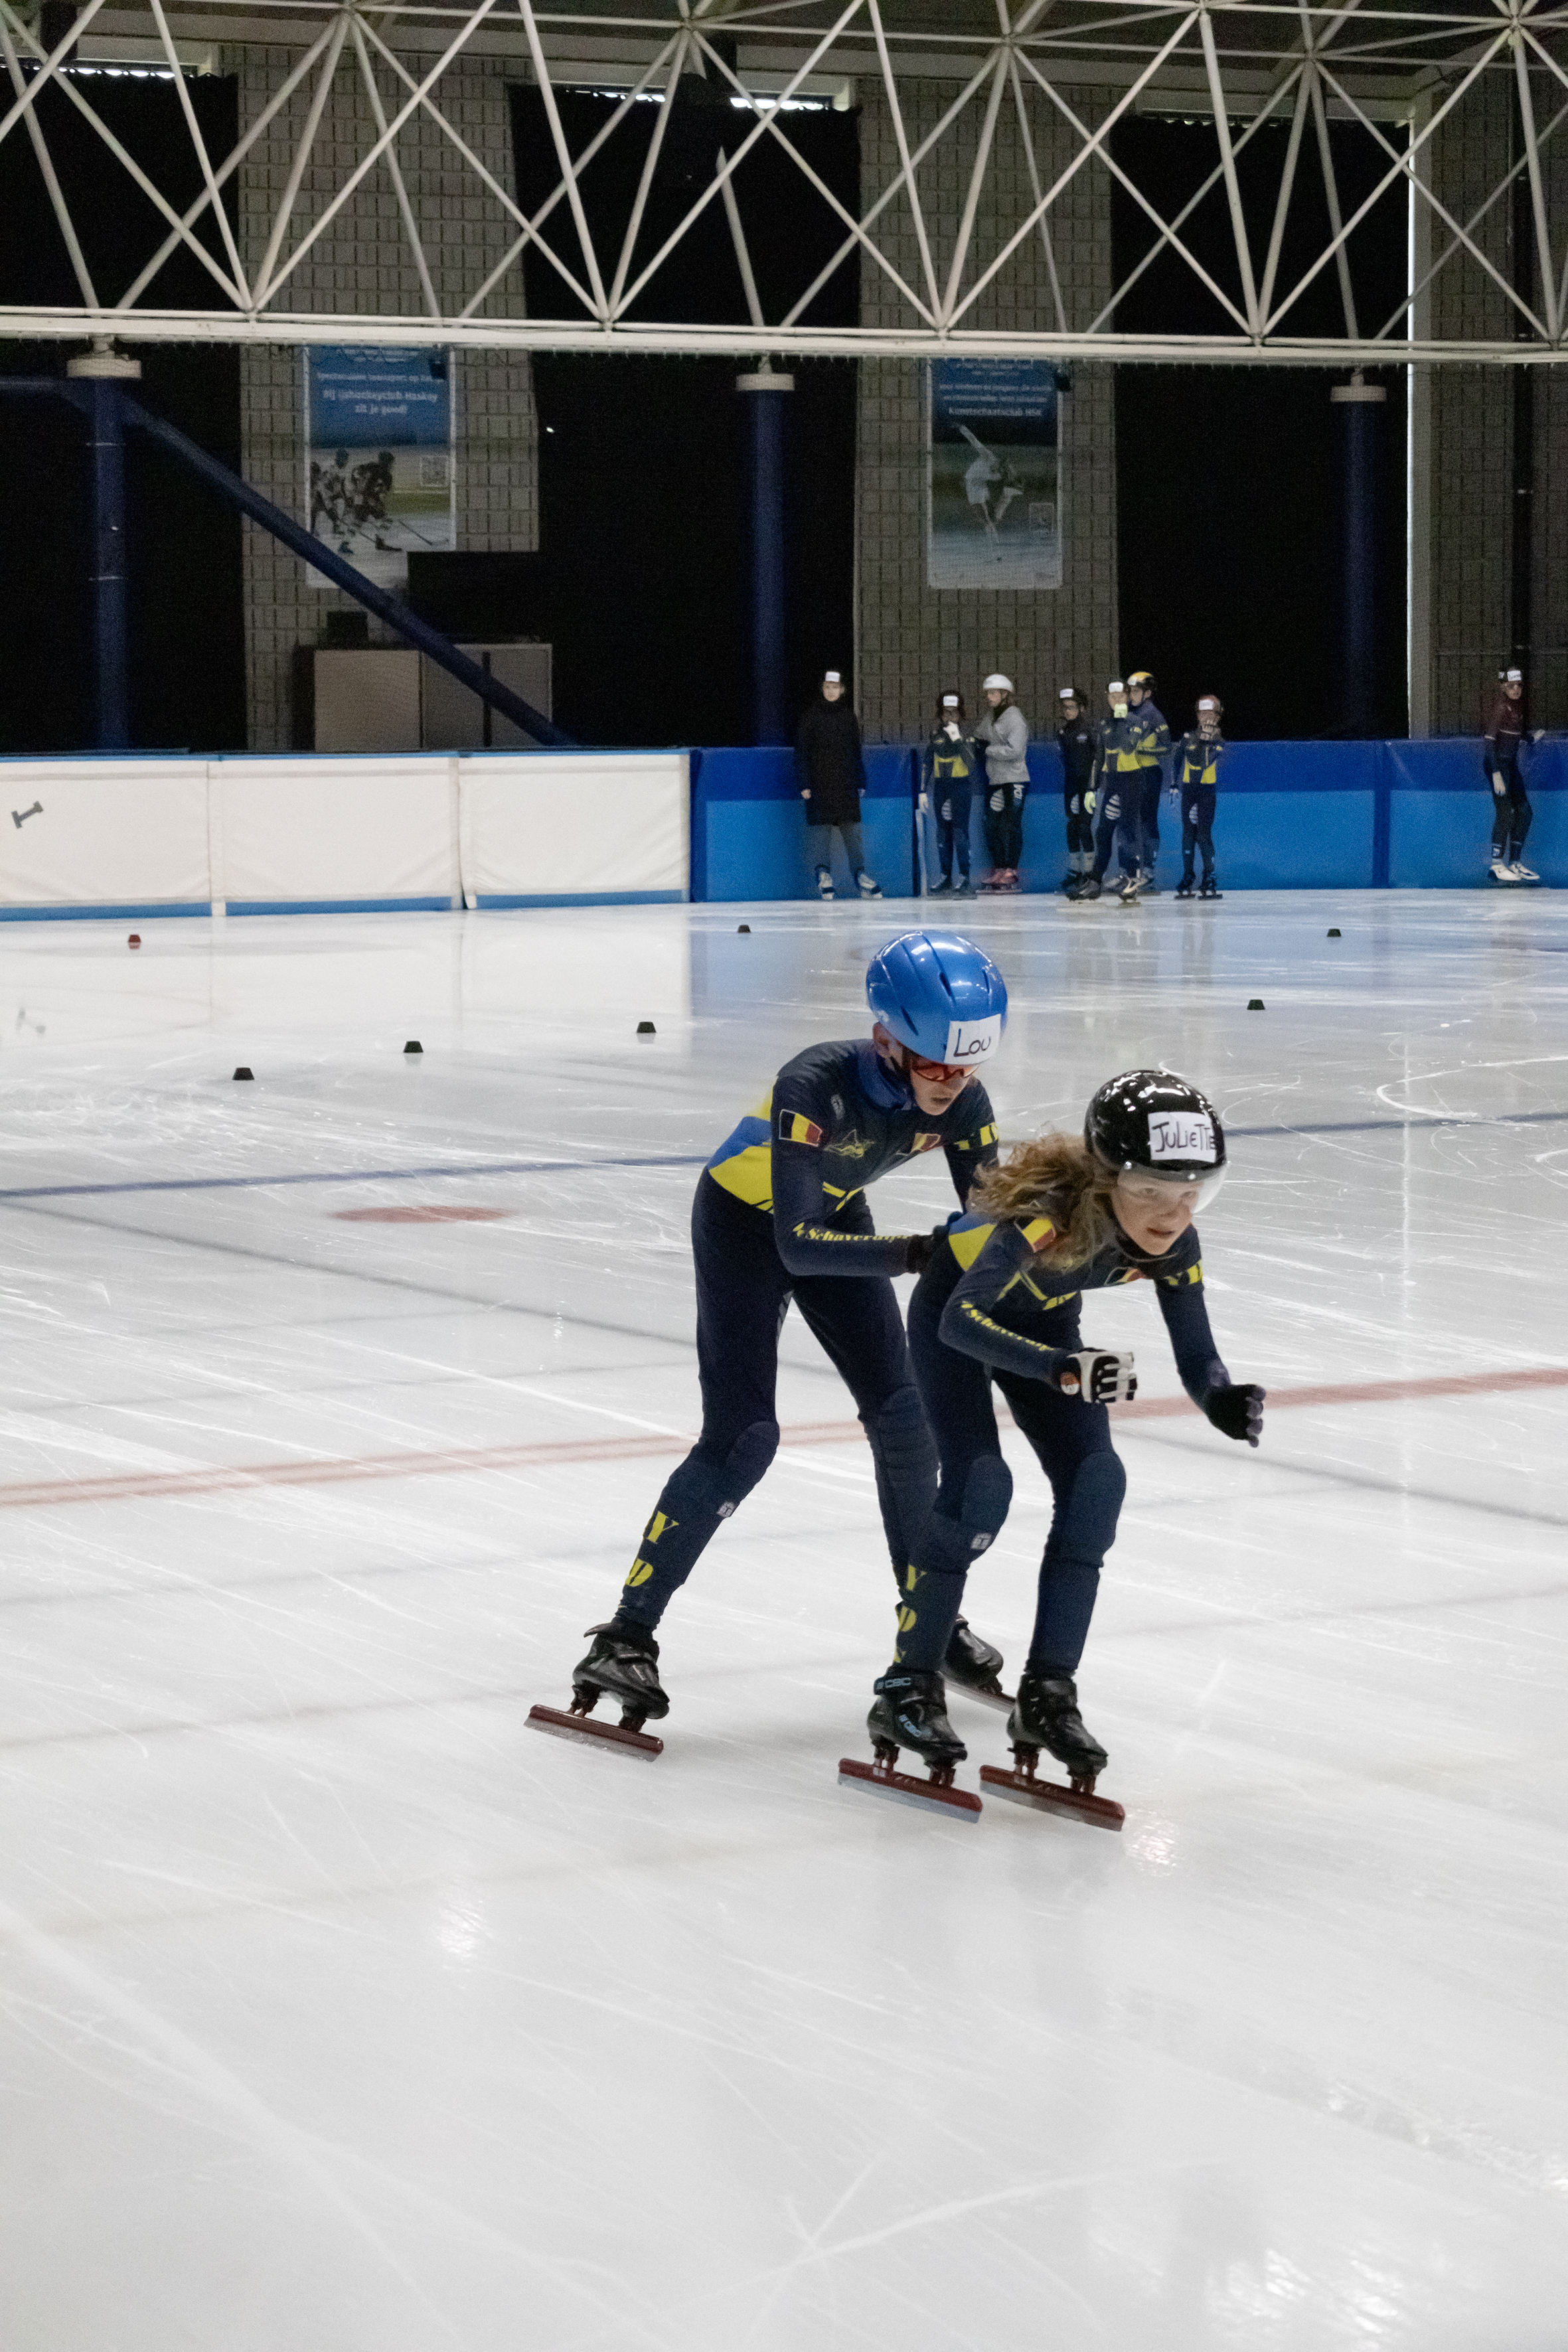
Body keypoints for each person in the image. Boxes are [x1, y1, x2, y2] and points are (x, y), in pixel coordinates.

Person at [552, 931, 1012, 1739]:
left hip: (839, 1216)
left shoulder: (966, 1105)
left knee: (905, 1418)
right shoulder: (814, 1083)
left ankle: (927, 1622)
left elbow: (986, 1231)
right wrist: (916, 1252)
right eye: (937, 1066)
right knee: (744, 1437)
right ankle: (625, 1636)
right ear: (886, 1039)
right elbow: (797, 1243)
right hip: (746, 1228)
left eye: (967, 1068)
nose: (953, 1086)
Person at [858, 1070, 1265, 1795]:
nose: (1169, 1215)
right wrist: (1059, 1369)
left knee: (1096, 1484)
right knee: (981, 1486)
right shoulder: (1046, 1218)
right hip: (959, 1325)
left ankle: (1048, 1694)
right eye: (1147, 1192)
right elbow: (959, 1321)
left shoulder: (1175, 1241)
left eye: (1188, 1193)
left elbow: (1196, 1351)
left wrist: (1220, 1398)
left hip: (1047, 1334)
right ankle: (906, 1685)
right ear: (1106, 1181)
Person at [796, 670, 880, 901]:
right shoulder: (811, 717)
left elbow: (856, 751)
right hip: (819, 784)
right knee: (821, 832)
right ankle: (823, 875)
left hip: (845, 784)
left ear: (842, 689)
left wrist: (861, 779)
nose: (831, 691)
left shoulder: (848, 716)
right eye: (827, 687)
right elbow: (802, 752)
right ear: (822, 689)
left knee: (852, 830)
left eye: (835, 687)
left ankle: (860, 875)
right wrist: (804, 782)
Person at [1073, 678, 1137, 902]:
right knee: (1103, 833)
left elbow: (1129, 747)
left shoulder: (1136, 722)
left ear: (1128, 697)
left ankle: (1132, 880)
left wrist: (1123, 720)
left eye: (1120, 696)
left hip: (1133, 784)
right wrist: (1092, 788)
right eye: (1112, 697)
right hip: (1113, 784)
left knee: (1127, 833)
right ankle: (1095, 882)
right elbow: (1098, 758)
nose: (1116, 700)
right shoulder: (1103, 725)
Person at [1482, 668, 1541, 884]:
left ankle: (1515, 861)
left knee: (1525, 812)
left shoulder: (1518, 708)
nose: (1516, 689)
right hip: (1497, 766)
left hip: (1511, 766)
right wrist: (1497, 774)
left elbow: (1516, 732)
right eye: (1511, 686)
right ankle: (1497, 865)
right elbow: (1489, 741)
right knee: (1506, 812)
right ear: (1503, 687)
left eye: (1519, 686)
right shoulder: (1500, 707)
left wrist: (1530, 738)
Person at [975, 672, 1030, 892]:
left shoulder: (1015, 718)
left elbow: (1015, 751)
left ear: (1005, 695)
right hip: (996, 780)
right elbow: (979, 736)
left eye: (993, 693)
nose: (989, 696)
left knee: (1012, 824)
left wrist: (988, 750)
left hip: (1015, 779)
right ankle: (999, 868)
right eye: (988, 693)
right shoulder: (991, 717)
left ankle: (1011, 871)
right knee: (992, 826)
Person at [921, 691, 979, 894]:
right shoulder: (935, 735)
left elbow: (971, 764)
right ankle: (946, 876)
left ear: (961, 714)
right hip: (940, 789)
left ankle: (965, 877)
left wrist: (958, 739)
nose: (950, 717)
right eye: (946, 713)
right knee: (943, 833)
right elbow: (927, 763)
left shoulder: (969, 735)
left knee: (960, 832)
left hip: (961, 787)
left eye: (954, 713)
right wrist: (922, 791)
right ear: (940, 714)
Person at [1172, 694, 1227, 900]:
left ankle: (1209, 876)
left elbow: (1205, 763)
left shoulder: (1219, 740)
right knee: (1188, 835)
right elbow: (1178, 760)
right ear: (1197, 715)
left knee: (1203, 835)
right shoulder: (1187, 737)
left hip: (1206, 792)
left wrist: (1207, 742)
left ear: (1218, 716)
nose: (1206, 717)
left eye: (1210, 713)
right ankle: (1188, 875)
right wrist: (1173, 784)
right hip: (1189, 791)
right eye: (1202, 713)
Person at [1123, 669, 1172, 894]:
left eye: (1136, 691)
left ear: (1148, 693)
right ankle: (1132, 873)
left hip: (1149, 772)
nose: (1131, 695)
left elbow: (1167, 747)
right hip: (1131, 773)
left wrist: (1140, 749)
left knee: (1146, 821)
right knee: (1130, 823)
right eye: (1130, 691)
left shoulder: (1154, 715)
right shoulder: (1127, 712)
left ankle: (1148, 871)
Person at [1056, 686, 1095, 894]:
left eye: (1072, 707)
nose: (1068, 711)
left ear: (1081, 707)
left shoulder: (1089, 730)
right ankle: (1075, 870)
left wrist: (1092, 787)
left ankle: (1089, 872)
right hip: (1071, 786)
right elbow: (1064, 759)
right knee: (1072, 826)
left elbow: (1097, 759)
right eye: (1065, 707)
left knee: (1084, 826)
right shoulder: (1063, 732)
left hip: (1087, 786)